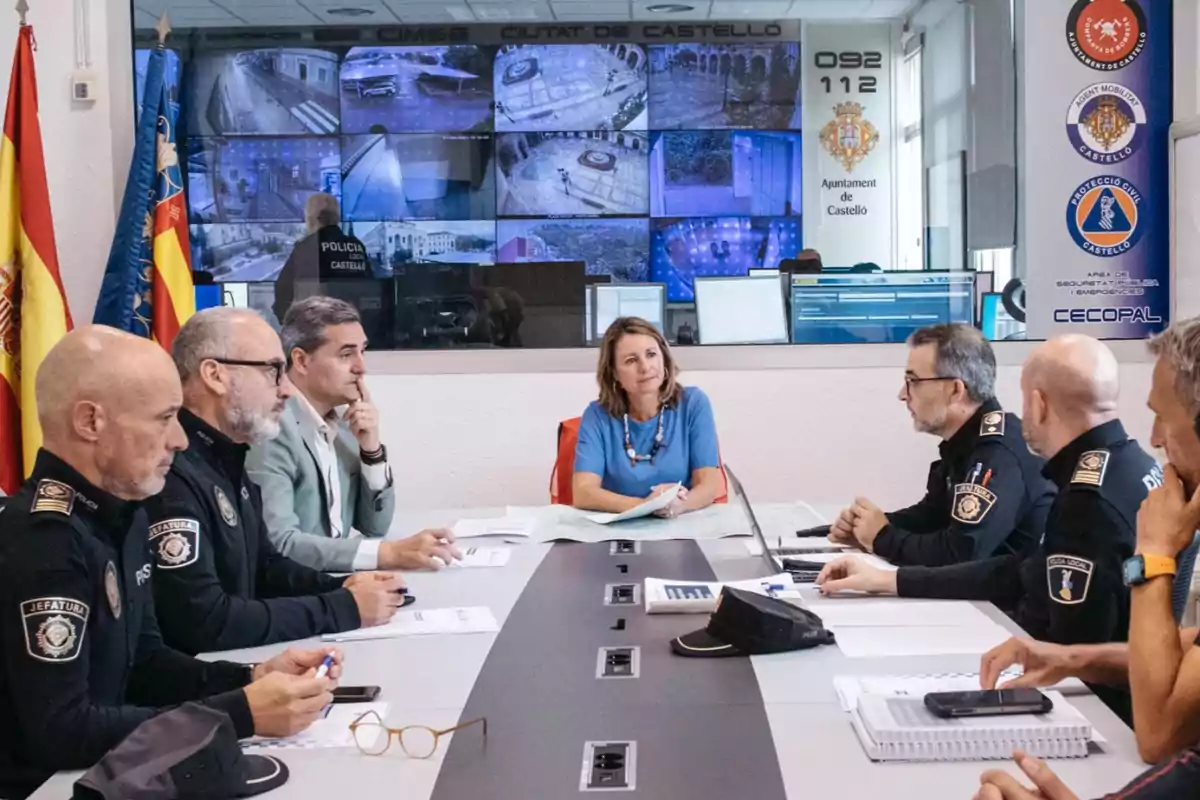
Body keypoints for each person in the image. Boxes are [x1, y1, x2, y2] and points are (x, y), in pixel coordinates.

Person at [0, 327, 342, 800]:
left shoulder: (123, 514)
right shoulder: (42, 541)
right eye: (164, 419)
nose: (181, 439)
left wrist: (252, 678)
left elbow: (146, 665)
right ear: (90, 422)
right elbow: (60, 730)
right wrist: (238, 712)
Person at [817, 335, 1160, 652]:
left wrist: (885, 548)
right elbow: (1022, 571)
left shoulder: (1086, 501)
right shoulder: (1130, 467)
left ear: (1038, 404)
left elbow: (1072, 656)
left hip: (1078, 693)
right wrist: (889, 579)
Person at [976, 317, 1200, 777]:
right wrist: (1071, 659)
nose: (1155, 438)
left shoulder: (1092, 499)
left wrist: (1153, 555)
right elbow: (1189, 649)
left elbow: (1158, 737)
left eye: (1163, 416)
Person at [146, 308, 407, 655]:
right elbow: (204, 622)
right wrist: (343, 607)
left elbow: (265, 567)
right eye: (273, 371)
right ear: (215, 375)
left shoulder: (227, 455)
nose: (286, 389)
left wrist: (343, 587)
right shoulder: (173, 472)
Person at [247, 296, 461, 573]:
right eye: (346, 355)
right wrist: (390, 553)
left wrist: (371, 450)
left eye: (362, 351)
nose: (361, 367)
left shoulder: (346, 422)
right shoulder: (273, 428)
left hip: (334, 581)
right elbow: (280, 545)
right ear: (300, 361)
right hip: (294, 592)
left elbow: (374, 526)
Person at [829, 323, 1054, 567]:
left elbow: (960, 553)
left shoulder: (999, 454)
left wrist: (882, 537)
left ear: (955, 390)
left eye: (913, 381)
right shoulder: (965, 444)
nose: (902, 394)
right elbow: (932, 518)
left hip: (1000, 604)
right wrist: (867, 526)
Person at [573, 317, 725, 519]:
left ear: (664, 358)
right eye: (631, 360)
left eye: (651, 354)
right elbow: (583, 493)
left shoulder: (693, 404)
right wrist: (645, 506)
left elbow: (708, 486)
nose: (645, 367)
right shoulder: (597, 415)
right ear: (614, 373)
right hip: (619, 533)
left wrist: (677, 506)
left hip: (681, 527)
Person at [272, 193, 371, 321]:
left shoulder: (307, 246)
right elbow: (372, 289)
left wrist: (289, 323)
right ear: (337, 217)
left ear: (311, 218)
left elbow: (283, 290)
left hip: (319, 326)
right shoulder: (356, 246)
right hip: (356, 324)